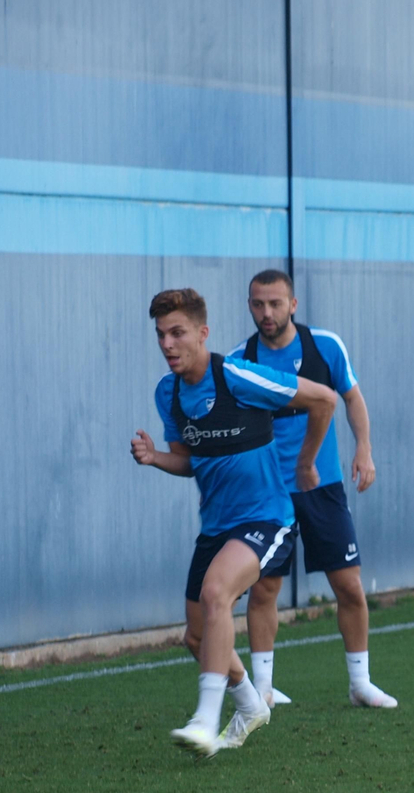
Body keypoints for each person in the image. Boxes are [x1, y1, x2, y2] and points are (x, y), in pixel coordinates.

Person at [131, 288, 339, 758]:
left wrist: (306, 463)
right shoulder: (169, 393)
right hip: (216, 527)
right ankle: (249, 704)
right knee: (197, 636)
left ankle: (205, 720)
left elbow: (325, 399)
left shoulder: (237, 376)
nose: (167, 344)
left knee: (216, 594)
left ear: (203, 333)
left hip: (267, 517)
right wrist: (156, 458)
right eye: (161, 335)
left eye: (178, 333)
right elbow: (191, 461)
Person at [230, 270, 396, 709]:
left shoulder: (325, 345)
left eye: (275, 303)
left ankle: (360, 683)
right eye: (258, 304)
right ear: (249, 306)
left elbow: (352, 397)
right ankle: (263, 688)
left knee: (349, 585)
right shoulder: (239, 361)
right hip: (268, 494)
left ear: (293, 304)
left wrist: (364, 449)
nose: (266, 313)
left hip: (322, 487)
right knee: (264, 590)